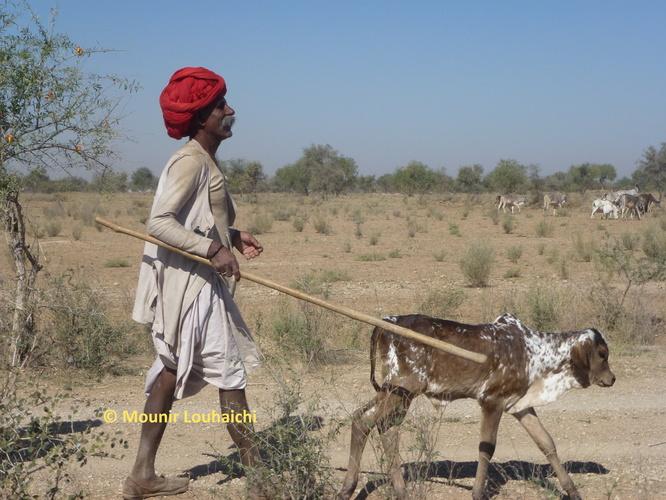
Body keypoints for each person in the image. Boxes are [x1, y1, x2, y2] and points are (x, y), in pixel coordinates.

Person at [123, 67, 264, 499]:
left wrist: (232, 237)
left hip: (195, 283)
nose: (231, 111)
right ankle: (262, 477)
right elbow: (160, 223)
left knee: (169, 372)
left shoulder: (204, 160)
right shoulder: (190, 161)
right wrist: (212, 251)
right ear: (202, 117)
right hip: (194, 288)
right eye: (222, 106)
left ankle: (142, 475)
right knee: (230, 373)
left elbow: (198, 219)